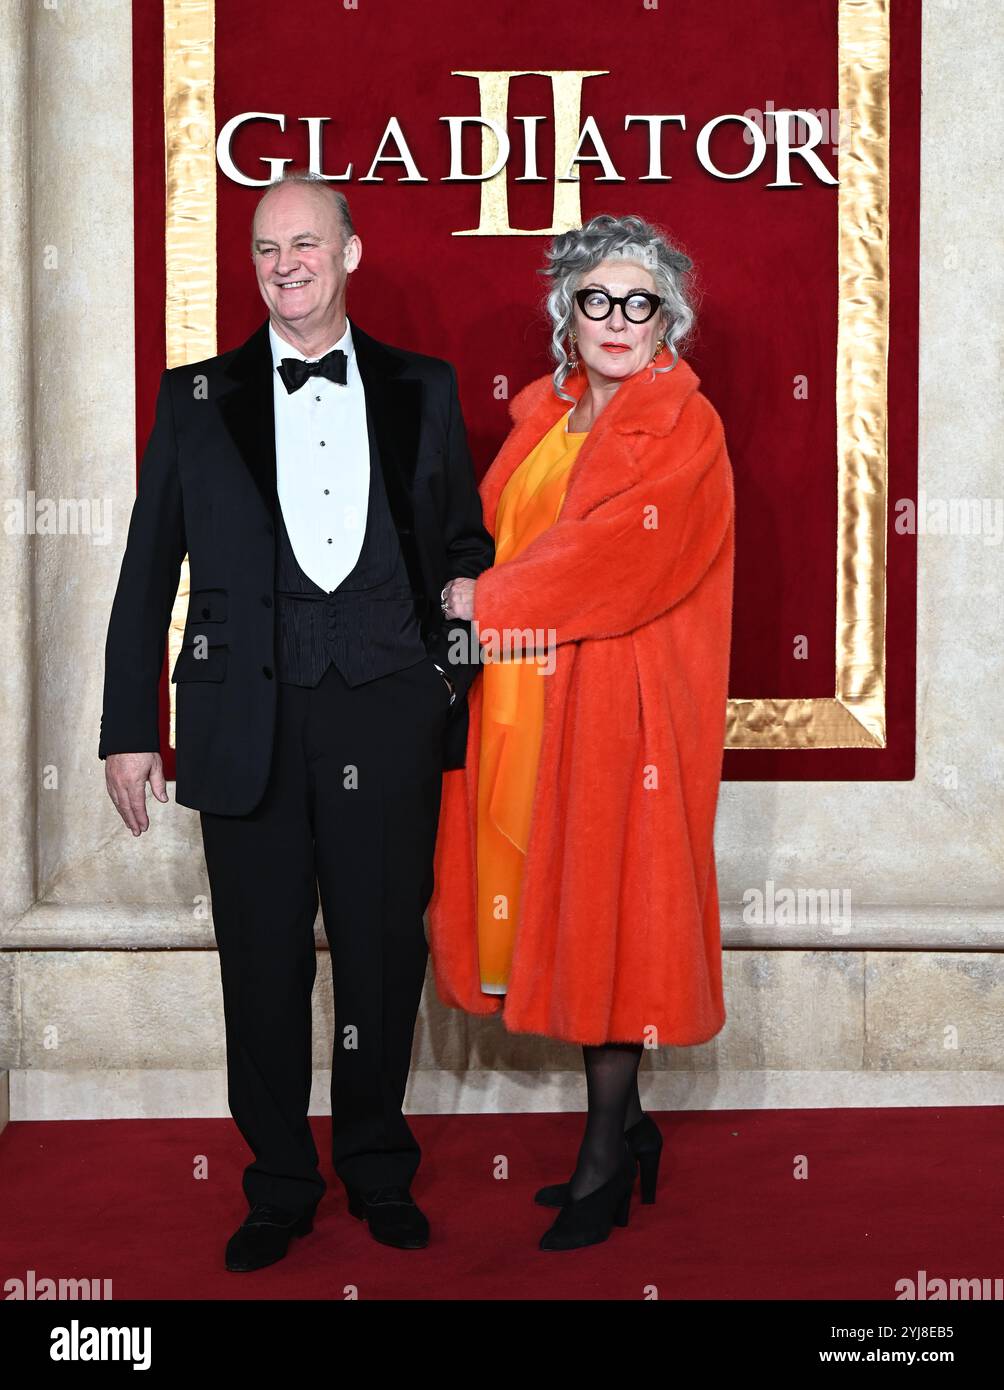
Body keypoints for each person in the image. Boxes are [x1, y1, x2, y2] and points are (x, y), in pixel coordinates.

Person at [99, 169, 493, 1271]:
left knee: (378, 960)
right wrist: (129, 725)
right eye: (267, 249)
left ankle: (375, 1167)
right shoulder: (192, 399)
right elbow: (146, 574)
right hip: (243, 724)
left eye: (305, 244)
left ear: (350, 252)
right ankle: (277, 1181)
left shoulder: (423, 385)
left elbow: (465, 552)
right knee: (262, 962)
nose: (285, 265)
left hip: (385, 714)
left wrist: (446, 683)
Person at [430, 213, 735, 1251]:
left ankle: (604, 1155)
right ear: (567, 311)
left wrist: (487, 598)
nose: (614, 319)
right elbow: (497, 535)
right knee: (551, 906)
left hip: (619, 712)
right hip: (522, 704)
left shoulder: (683, 427)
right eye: (595, 299)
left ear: (667, 321)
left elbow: (621, 564)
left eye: (637, 302)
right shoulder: (540, 421)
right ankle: (630, 1128)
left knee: (613, 913)